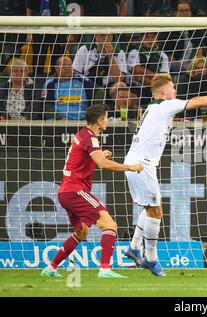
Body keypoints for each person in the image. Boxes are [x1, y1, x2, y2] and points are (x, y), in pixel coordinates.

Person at [123, 74, 207, 276]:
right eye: (172, 88)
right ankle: (150, 259)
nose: (175, 92)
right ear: (164, 92)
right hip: (141, 165)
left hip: (138, 163)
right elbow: (196, 102)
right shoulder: (163, 106)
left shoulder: (153, 108)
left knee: (151, 207)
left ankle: (134, 247)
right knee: (156, 212)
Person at [41, 104, 144, 278]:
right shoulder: (90, 137)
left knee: (82, 232)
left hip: (65, 192)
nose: (108, 121)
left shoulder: (83, 135)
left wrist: (101, 154)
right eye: (107, 117)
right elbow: (102, 165)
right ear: (99, 120)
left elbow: (84, 158)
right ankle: (104, 269)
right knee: (110, 225)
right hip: (75, 191)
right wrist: (132, 167)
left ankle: (50, 268)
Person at [42, 56, 94, 120]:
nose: (67, 68)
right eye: (64, 66)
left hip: (82, 121)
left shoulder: (83, 81)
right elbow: (46, 107)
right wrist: (59, 118)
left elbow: (99, 92)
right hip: (58, 122)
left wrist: (94, 115)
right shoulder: (50, 84)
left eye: (69, 65)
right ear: (57, 68)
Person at [176, 56, 207, 121]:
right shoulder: (185, 80)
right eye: (197, 68)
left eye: (203, 68)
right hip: (190, 114)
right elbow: (180, 100)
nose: (200, 70)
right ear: (192, 69)